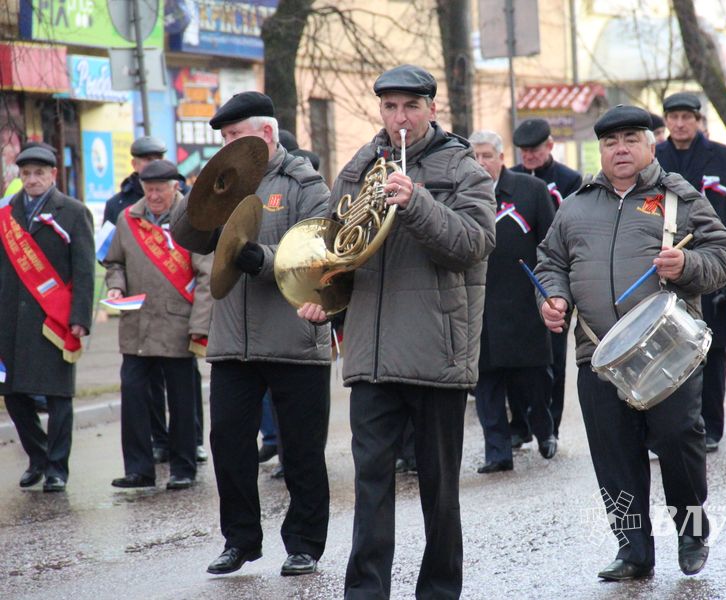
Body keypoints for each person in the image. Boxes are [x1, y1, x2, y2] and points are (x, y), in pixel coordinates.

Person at [297, 64, 495, 599]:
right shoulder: (361, 164)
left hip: (437, 353)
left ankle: (437, 591)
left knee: (439, 490)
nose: (399, 117)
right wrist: (324, 301)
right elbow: (338, 251)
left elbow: (473, 245)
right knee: (371, 486)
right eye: (390, 107)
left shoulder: (463, 168)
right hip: (371, 356)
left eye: (410, 106)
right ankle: (365, 592)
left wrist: (418, 203)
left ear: (432, 108)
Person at [536, 105, 726, 581]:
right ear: (600, 150)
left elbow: (724, 255)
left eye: (631, 139)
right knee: (614, 454)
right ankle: (632, 549)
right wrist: (554, 299)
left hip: (667, 351)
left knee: (677, 441)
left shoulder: (678, 198)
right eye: (611, 142)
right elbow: (550, 263)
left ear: (651, 145)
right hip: (597, 354)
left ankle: (691, 532)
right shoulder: (576, 204)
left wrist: (686, 267)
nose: (620, 149)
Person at [171, 91, 333, 576]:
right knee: (229, 443)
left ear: (265, 134)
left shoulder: (305, 182)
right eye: (222, 139)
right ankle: (239, 540)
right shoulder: (227, 181)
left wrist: (260, 259)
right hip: (232, 344)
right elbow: (188, 236)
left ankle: (304, 543)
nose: (227, 146)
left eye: (235, 137)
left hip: (294, 338)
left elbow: (319, 252)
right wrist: (200, 193)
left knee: (302, 449)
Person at [104, 160, 213, 490]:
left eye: (159, 189)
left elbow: (206, 275)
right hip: (137, 323)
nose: (153, 196)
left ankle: (183, 467)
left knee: (181, 401)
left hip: (178, 322)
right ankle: (139, 469)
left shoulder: (194, 219)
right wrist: (116, 285)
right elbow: (114, 262)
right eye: (148, 189)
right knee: (134, 396)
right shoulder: (128, 219)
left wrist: (201, 325)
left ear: (175, 187)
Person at [655, 92, 726, 452]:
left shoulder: (725, 158)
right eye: (673, 117)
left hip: (714, 266)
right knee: (667, 352)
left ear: (698, 120)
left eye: (686, 117)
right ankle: (668, 428)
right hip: (666, 269)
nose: (679, 124)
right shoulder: (655, 157)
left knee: (714, 353)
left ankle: (711, 425)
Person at [0, 143, 95, 492]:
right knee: (12, 393)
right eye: (25, 173)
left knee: (58, 397)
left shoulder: (72, 212)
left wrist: (80, 317)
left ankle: (57, 468)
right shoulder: (7, 214)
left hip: (53, 320)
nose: (32, 180)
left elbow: (84, 270)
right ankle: (37, 457)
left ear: (53, 175)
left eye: (39, 173)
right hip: (9, 321)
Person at [470, 129, 557, 473]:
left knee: (533, 380)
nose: (480, 163)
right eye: (473, 157)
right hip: (480, 307)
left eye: (486, 156)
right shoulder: (460, 196)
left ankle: (544, 430)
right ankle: (497, 452)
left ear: (502, 158)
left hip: (524, 304)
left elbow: (551, 245)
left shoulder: (530, 191)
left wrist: (550, 293)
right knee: (486, 384)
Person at [510, 117, 582, 441]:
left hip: (556, 273)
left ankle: (550, 423)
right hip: (519, 275)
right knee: (517, 355)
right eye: (524, 151)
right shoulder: (510, 178)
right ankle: (521, 424)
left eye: (534, 150)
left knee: (554, 352)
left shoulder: (569, 180)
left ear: (550, 146)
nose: (529, 156)